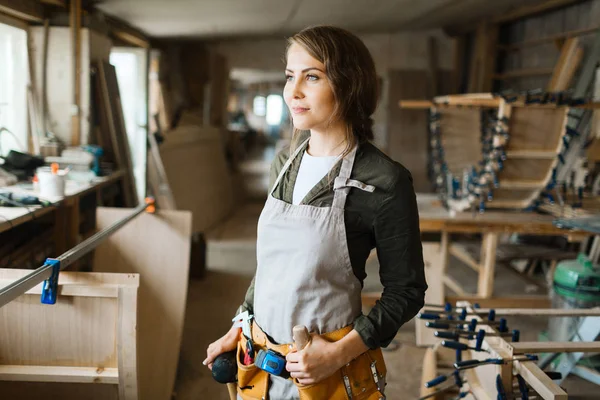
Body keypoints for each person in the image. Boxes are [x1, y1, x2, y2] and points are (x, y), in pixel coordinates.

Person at [204, 25, 427, 400]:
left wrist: (338, 353)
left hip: (328, 372)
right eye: (290, 76)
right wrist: (241, 324)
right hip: (260, 365)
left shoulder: (383, 180)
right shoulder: (283, 166)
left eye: (312, 77)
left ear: (349, 83)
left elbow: (406, 292)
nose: (293, 91)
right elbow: (273, 267)